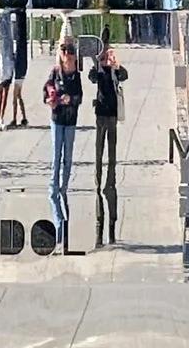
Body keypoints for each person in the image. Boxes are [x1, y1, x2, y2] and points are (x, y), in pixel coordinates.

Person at [89, 44, 129, 246]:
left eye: (109, 55)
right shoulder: (99, 70)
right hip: (101, 115)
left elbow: (125, 76)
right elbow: (91, 77)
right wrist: (98, 63)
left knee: (111, 154)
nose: (107, 58)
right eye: (105, 55)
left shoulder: (115, 72)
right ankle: (98, 177)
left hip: (112, 115)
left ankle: (110, 178)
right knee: (99, 152)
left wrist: (116, 65)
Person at [43, 42, 83, 232]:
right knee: (56, 156)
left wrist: (70, 99)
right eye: (64, 51)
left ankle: (64, 187)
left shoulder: (76, 76)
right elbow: (46, 91)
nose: (67, 55)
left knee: (68, 157)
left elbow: (80, 97)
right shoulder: (55, 72)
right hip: (57, 119)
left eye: (70, 52)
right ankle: (53, 189)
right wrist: (50, 101)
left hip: (71, 120)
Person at [9, 3, 33, 129]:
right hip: (20, 72)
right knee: (16, 97)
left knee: (17, 97)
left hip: (21, 72)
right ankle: (19, 119)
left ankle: (19, 119)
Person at [0, 8, 15, 132]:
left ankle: (0, 119)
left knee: (3, 96)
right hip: (5, 70)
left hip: (5, 70)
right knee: (2, 96)